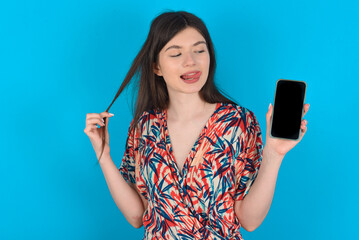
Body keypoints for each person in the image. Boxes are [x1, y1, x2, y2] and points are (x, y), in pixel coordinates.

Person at [84, 10, 310, 240]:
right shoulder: (144, 126)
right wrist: (103, 155)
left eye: (199, 50)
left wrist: (273, 154)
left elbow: (250, 221)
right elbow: (137, 215)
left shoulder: (238, 123)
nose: (190, 61)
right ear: (156, 67)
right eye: (176, 53)